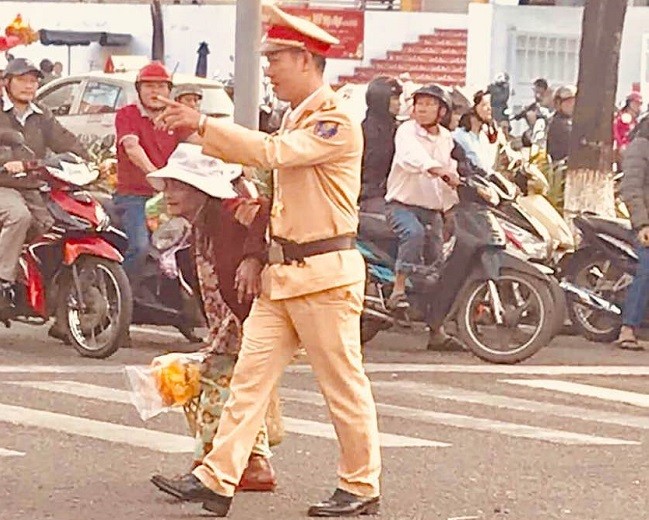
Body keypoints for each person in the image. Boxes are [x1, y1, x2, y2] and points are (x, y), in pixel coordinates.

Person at [151, 4, 382, 517]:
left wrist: (204, 125)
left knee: (342, 387)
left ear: (305, 59)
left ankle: (360, 485)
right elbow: (275, 193)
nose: (269, 70)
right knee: (247, 381)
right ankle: (217, 476)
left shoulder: (334, 120)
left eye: (276, 59)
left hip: (323, 276)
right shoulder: (297, 117)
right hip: (283, 276)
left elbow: (274, 154)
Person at [145, 143, 278, 493]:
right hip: (227, 323)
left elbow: (263, 212)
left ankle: (206, 466)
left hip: (244, 320)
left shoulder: (228, 210)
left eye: (179, 186)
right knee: (231, 389)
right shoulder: (200, 224)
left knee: (215, 386)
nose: (169, 194)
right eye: (169, 185)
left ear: (202, 189)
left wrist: (252, 258)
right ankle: (253, 463)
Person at [0, 58, 88, 316]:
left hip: (33, 185)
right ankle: (3, 281)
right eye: (22, 80)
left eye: (33, 80)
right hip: (3, 184)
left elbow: (65, 140)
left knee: (59, 226)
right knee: (19, 216)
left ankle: (57, 301)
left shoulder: (41, 114)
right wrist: (9, 163)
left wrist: (91, 160)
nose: (29, 86)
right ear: (7, 82)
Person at [383, 84, 461, 351]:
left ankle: (437, 331)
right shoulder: (406, 131)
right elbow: (410, 158)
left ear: (442, 111)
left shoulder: (446, 138)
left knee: (440, 266)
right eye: (420, 104)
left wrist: (453, 199)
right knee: (412, 234)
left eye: (430, 104)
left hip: (432, 211)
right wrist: (437, 169)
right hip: (402, 206)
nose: (423, 109)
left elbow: (452, 169)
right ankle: (398, 290)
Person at [113, 61, 194, 299]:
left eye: (161, 86)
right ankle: (120, 298)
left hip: (172, 197)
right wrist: (154, 174)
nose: (155, 91)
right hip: (134, 196)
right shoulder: (127, 115)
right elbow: (131, 146)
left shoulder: (175, 118)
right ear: (139, 89)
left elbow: (198, 142)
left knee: (198, 245)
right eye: (149, 86)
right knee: (139, 247)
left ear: (170, 90)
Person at [616, 117, 649, 350]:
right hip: (645, 223)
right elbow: (631, 189)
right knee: (647, 269)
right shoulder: (640, 146)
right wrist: (642, 225)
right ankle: (628, 327)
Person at [359, 76, 402, 206]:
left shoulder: (398, 129)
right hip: (370, 196)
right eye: (394, 98)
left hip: (393, 193)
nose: (399, 103)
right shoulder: (367, 132)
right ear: (381, 100)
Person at [546, 85, 577, 163]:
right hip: (561, 168)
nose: (573, 104)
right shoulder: (559, 123)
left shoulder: (571, 121)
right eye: (569, 101)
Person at [614, 92, 642, 161]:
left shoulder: (635, 121)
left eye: (639, 104)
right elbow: (616, 132)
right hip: (625, 150)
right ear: (629, 103)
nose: (637, 106)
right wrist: (622, 144)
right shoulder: (623, 118)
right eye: (636, 103)